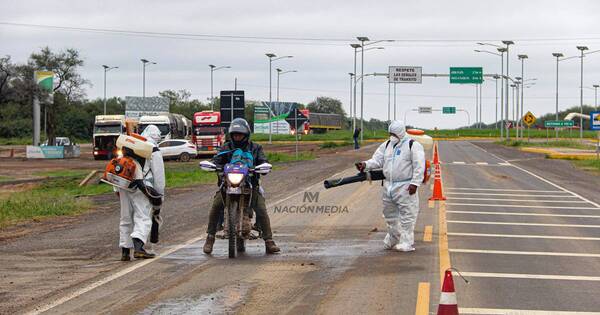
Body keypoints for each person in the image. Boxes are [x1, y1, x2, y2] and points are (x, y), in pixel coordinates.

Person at [202, 118, 280, 255]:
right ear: (231, 135)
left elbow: (263, 160)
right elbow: (216, 160)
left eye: (240, 135)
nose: (237, 137)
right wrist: (214, 165)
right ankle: (210, 238)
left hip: (250, 186)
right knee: (216, 206)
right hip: (227, 186)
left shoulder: (255, 148)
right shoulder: (226, 147)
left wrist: (263, 166)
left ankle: (269, 241)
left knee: (261, 209)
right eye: (235, 135)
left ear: (246, 135)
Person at [355, 121, 425, 251]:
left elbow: (419, 166)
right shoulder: (387, 145)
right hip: (389, 186)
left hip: (405, 185)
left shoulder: (413, 145)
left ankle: (407, 242)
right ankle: (393, 238)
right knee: (389, 215)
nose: (391, 136)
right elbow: (377, 160)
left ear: (401, 133)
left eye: (394, 134)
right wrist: (365, 165)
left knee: (407, 215)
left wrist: (415, 183)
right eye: (390, 133)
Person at [118, 125, 165, 261]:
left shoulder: (129, 145)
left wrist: (116, 189)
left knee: (125, 218)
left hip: (123, 185)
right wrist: (159, 195)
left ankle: (125, 252)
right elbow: (159, 176)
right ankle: (139, 248)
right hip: (142, 187)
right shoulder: (153, 150)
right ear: (157, 137)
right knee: (143, 217)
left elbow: (120, 167)